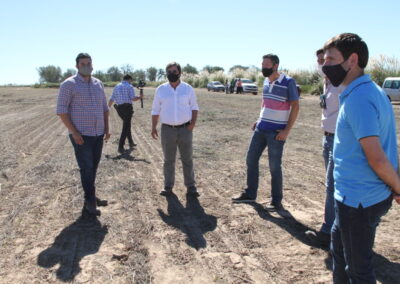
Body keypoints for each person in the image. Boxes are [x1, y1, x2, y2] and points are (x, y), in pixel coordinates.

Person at [322, 33, 400, 283]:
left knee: (358, 270)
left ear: (352, 60)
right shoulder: (371, 90)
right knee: (340, 251)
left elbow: (377, 157)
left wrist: (398, 188)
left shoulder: (358, 98)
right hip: (354, 197)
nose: (325, 66)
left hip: (358, 201)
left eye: (331, 59)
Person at [232, 54, 300, 211]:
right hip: (261, 128)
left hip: (276, 132)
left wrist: (286, 131)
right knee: (251, 159)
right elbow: (265, 102)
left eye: (266, 65)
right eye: (262, 64)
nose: (263, 67)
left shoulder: (288, 82)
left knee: (274, 166)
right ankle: (250, 194)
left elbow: (295, 106)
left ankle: (276, 201)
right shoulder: (266, 81)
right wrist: (259, 119)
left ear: (275, 65)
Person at [56, 53, 110, 216]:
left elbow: (104, 108)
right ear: (77, 66)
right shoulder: (68, 85)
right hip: (81, 135)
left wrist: (107, 129)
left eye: (89, 62)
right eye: (83, 63)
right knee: (86, 168)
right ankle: (90, 203)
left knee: (93, 167)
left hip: (98, 133)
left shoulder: (98, 83)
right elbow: (62, 111)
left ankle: (91, 195)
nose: (86, 65)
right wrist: (74, 132)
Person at [305, 49, 344, 247]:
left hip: (338, 140)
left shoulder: (341, 84)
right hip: (327, 139)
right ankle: (335, 230)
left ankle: (328, 232)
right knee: (332, 187)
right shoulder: (327, 82)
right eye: (319, 61)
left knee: (332, 187)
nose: (322, 64)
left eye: (326, 60)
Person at [151, 62, 200, 197]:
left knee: (187, 159)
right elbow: (155, 110)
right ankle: (168, 187)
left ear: (180, 73)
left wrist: (193, 124)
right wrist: (153, 127)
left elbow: (194, 107)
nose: (172, 74)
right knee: (168, 160)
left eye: (174, 71)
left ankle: (191, 186)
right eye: (169, 71)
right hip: (167, 130)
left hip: (185, 129)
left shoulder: (188, 89)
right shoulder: (160, 89)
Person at [108, 74, 143, 154]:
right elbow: (133, 98)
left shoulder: (117, 86)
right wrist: (139, 97)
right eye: (131, 80)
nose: (131, 82)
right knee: (125, 127)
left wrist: (108, 108)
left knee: (127, 125)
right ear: (129, 79)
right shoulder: (129, 86)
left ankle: (130, 142)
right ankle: (120, 146)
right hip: (127, 108)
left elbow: (112, 98)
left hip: (119, 109)